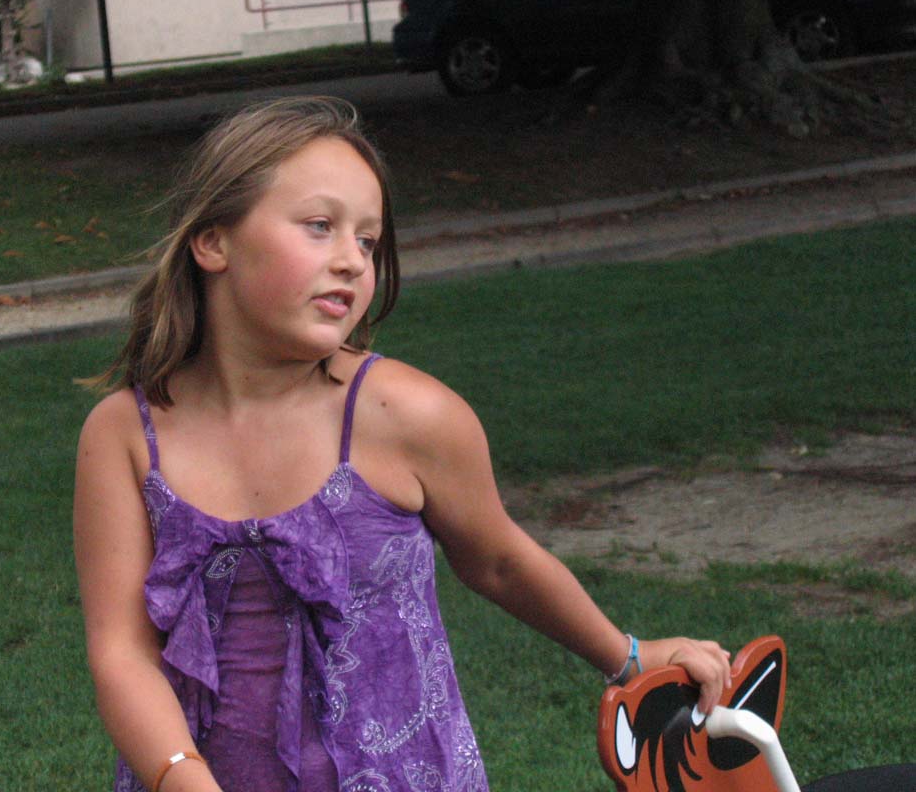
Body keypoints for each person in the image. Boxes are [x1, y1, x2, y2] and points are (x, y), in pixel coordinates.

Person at [73, 96, 732, 792]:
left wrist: (630, 658)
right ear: (213, 242)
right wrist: (185, 781)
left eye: (367, 242)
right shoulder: (126, 436)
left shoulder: (408, 415)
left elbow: (500, 560)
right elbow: (122, 652)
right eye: (320, 227)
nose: (352, 263)